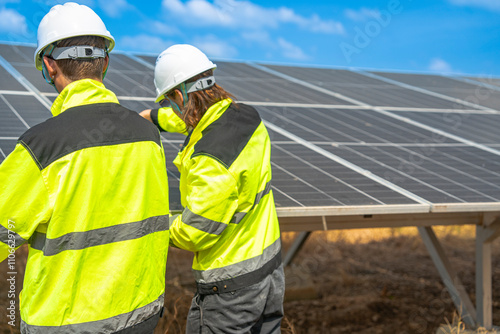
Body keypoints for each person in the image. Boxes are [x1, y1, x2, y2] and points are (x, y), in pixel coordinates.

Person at [0, 2, 170, 333]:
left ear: (49, 66)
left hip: (68, 324)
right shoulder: (148, 135)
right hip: (142, 316)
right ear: (104, 63)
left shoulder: (42, 147)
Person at [140, 44, 284, 333]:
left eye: (169, 101)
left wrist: (153, 224)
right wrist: (154, 118)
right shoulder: (246, 117)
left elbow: (195, 233)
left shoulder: (209, 160)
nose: (170, 108)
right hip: (270, 269)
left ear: (179, 96)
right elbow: (196, 119)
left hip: (232, 288)